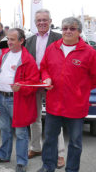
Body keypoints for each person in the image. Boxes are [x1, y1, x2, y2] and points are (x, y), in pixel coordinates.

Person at [36, 17, 96, 172]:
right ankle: (48, 166)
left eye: (72, 28)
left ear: (79, 32)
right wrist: (46, 77)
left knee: (75, 142)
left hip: (76, 106)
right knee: (50, 139)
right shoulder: (52, 48)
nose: (68, 31)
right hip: (54, 105)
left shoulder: (89, 52)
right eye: (65, 28)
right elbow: (44, 67)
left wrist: (80, 90)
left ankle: (72, 169)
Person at [0, 28, 40, 172]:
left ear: (21, 41)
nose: (9, 42)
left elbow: (34, 83)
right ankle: (4, 155)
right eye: (8, 39)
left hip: (17, 101)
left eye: (12, 39)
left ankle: (22, 162)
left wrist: (21, 87)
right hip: (1, 97)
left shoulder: (28, 59)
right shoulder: (4, 55)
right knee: (4, 129)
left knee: (21, 133)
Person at [24, 9, 65, 168]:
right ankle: (36, 147)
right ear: (35, 23)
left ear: (50, 21)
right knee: (33, 117)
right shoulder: (30, 40)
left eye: (44, 20)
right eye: (39, 20)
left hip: (52, 84)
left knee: (54, 118)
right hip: (34, 84)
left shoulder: (59, 38)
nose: (42, 22)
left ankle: (59, 153)